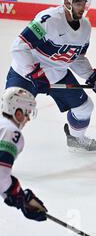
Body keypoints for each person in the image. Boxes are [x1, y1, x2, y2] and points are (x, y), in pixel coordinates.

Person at [5, 0, 96, 154]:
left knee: (85, 107)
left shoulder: (85, 27)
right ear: (66, 2)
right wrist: (34, 74)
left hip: (57, 73)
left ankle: (76, 139)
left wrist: (94, 78)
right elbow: (18, 47)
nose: (82, 7)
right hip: (25, 73)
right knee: (12, 113)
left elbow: (77, 57)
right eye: (78, 2)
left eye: (84, 2)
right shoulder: (48, 19)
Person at [0, 87, 47, 222]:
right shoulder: (11, 132)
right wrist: (20, 196)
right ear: (18, 113)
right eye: (28, 113)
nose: (28, 119)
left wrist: (19, 197)